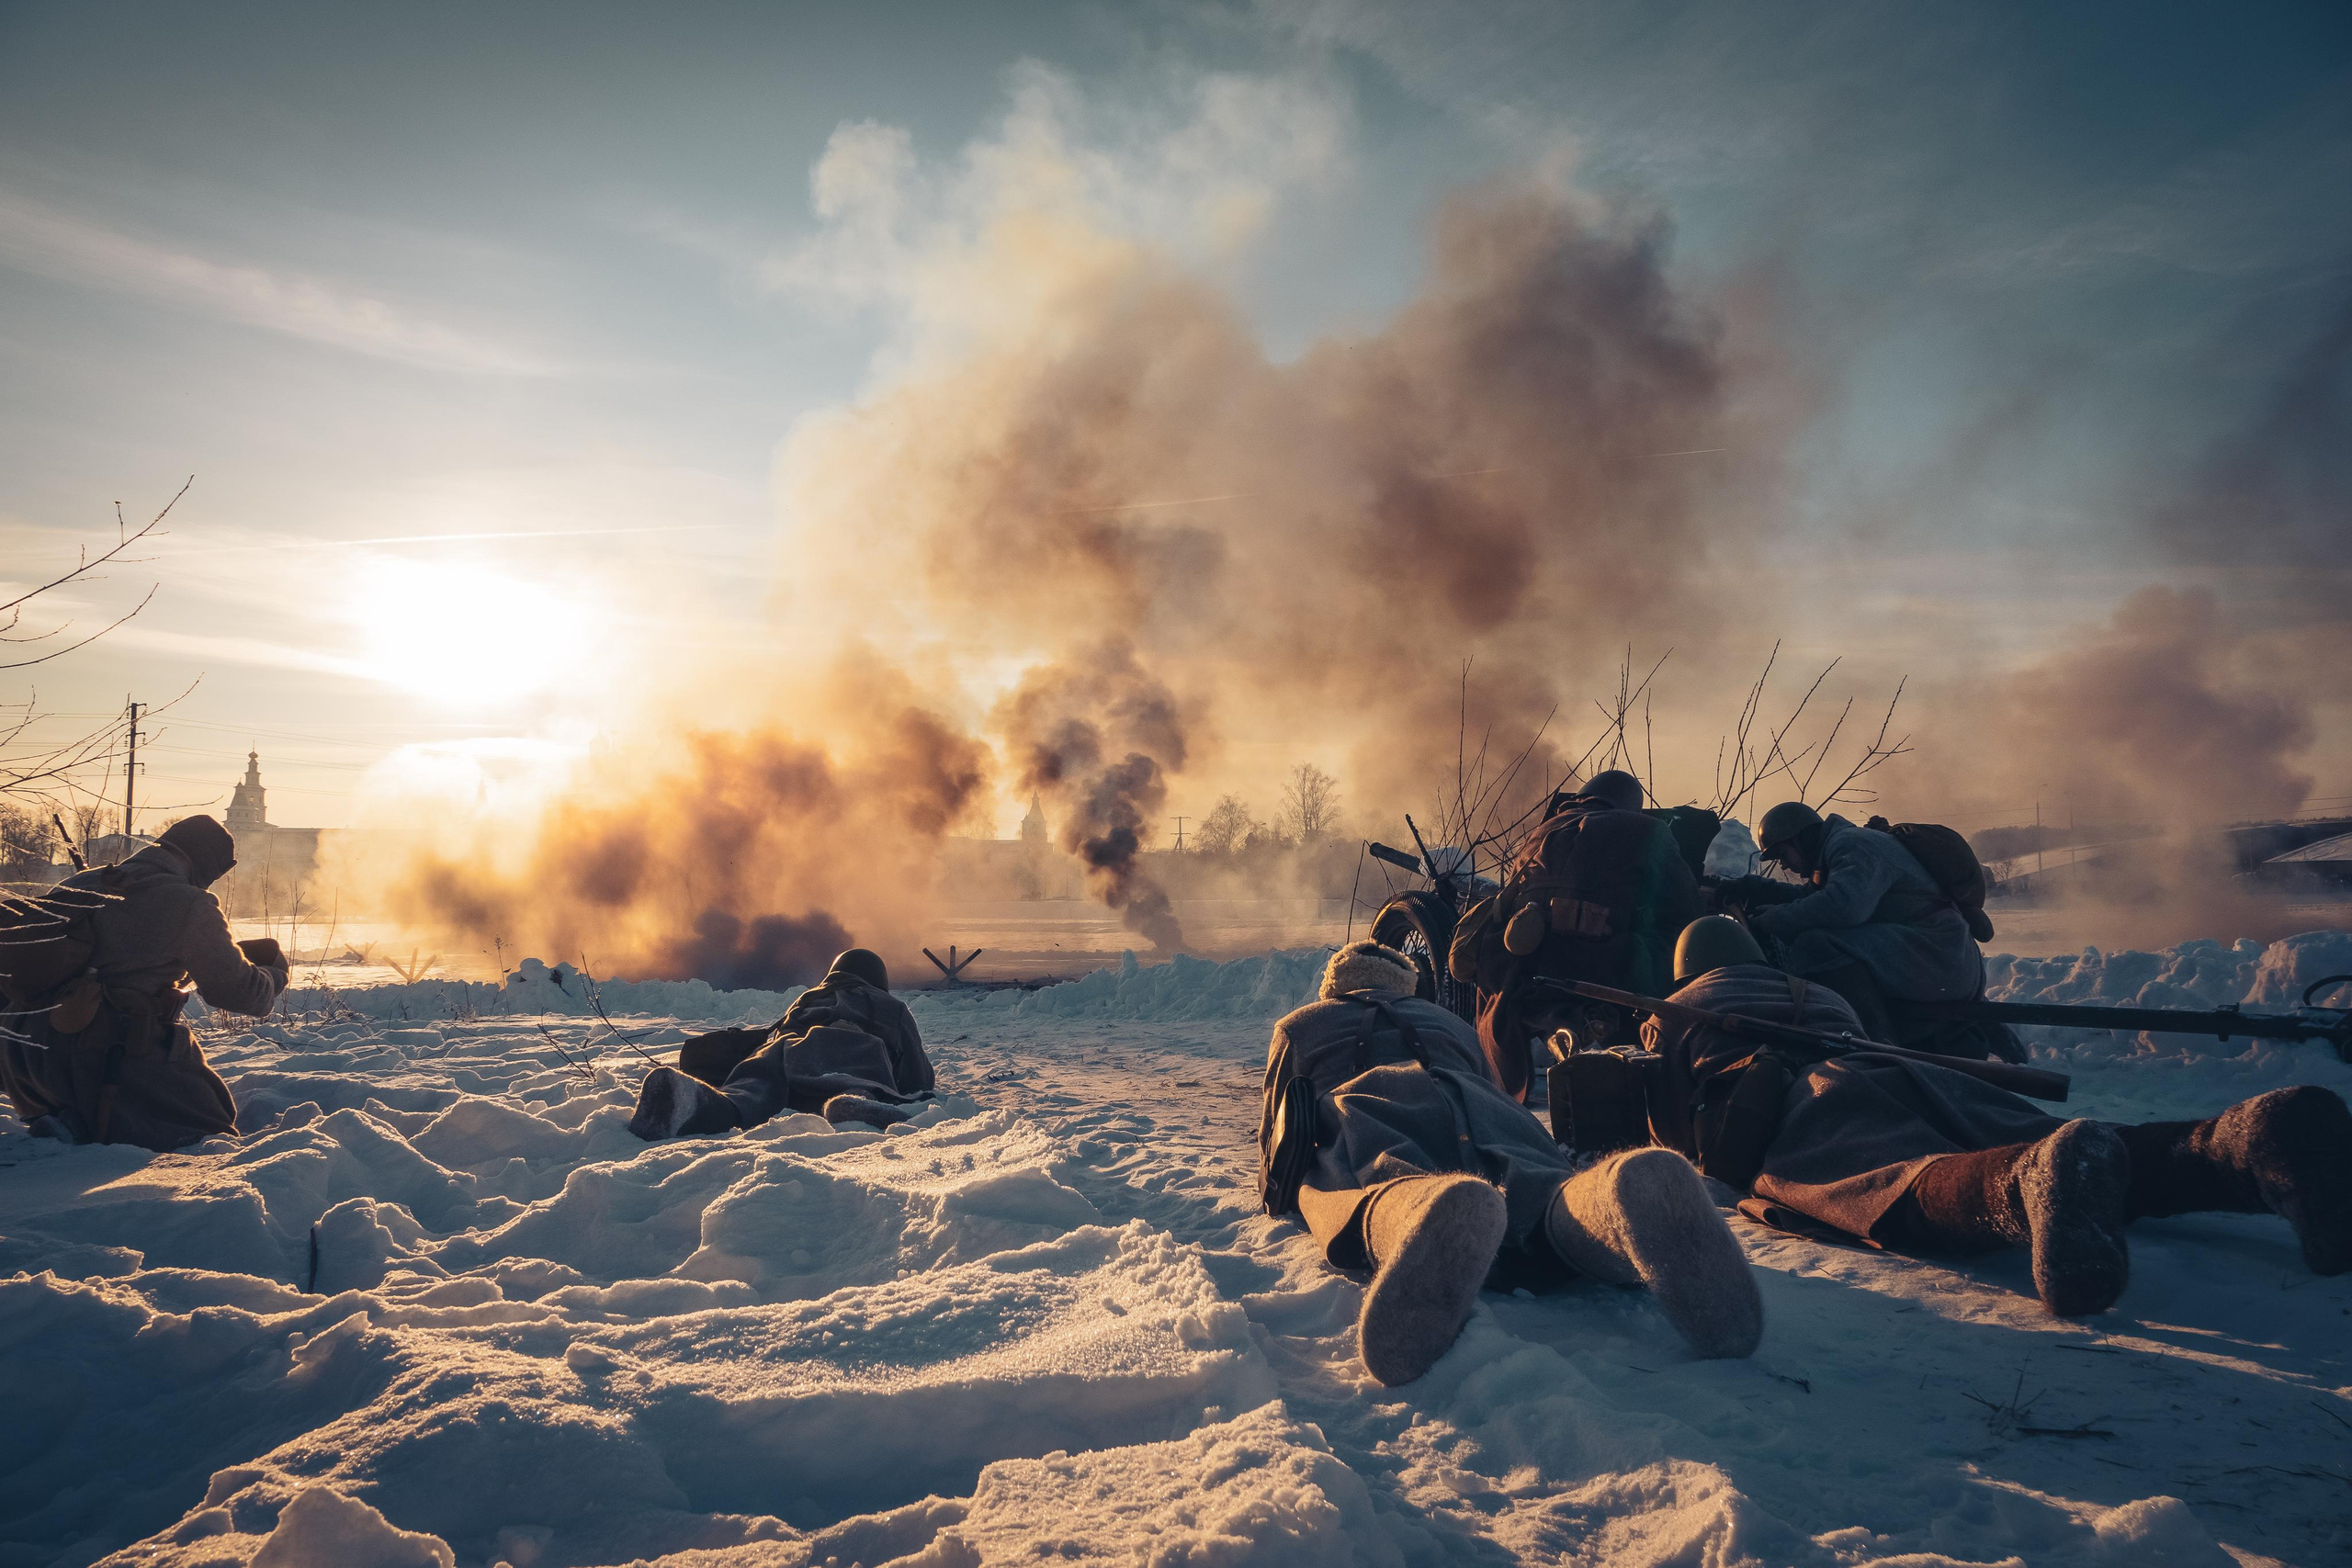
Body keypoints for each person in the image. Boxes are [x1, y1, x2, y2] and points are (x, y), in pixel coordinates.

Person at [1645, 915, 2352, 1316]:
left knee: (1895, 1185)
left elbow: (1672, 1127)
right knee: (2079, 1147)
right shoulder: (1816, 992)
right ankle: (2231, 1145)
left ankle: (2025, 1183)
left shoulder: (1677, 1010)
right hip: (1918, 1073)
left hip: (1811, 1101)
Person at [1261, 938, 1761, 1386]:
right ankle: (1611, 1196)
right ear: (1407, 986)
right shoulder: (1449, 1022)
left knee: (1381, 1180)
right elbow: (1495, 1083)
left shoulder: (1299, 1026)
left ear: (1332, 987)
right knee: (1542, 1194)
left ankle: (1423, 1210)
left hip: (1370, 1102)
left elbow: (1278, 1130)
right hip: (1483, 1106)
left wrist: (1280, 1185)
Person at [1, 815, 288, 1151]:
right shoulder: (190, 902)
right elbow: (238, 992)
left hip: (23, 1051)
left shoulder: (83, 881)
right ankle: (79, 1130)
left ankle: (65, 1120)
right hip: (103, 1051)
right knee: (208, 1133)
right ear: (220, 867)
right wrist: (274, 975)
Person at [1469, 769, 1706, 1099]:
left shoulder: (1540, 833)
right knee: (1682, 945)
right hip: (1603, 968)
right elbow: (1686, 908)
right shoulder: (1648, 829)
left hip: (1522, 971)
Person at [1722, 801, 1981, 1045]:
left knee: (1817, 945)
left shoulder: (1851, 844)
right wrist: (1753, 888)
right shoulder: (1839, 849)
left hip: (1941, 956)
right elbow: (1811, 899)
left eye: (1783, 854)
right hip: (1936, 955)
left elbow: (1843, 907)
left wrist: (1778, 918)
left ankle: (1871, 1044)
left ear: (1801, 838)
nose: (1785, 865)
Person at [629, 947, 933, 1138]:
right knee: (849, 1079)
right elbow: (918, 1077)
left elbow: (781, 1034)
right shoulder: (888, 1005)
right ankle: (852, 1100)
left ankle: (692, 1101)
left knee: (743, 1098)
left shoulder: (808, 999)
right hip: (846, 1044)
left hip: (780, 1053)